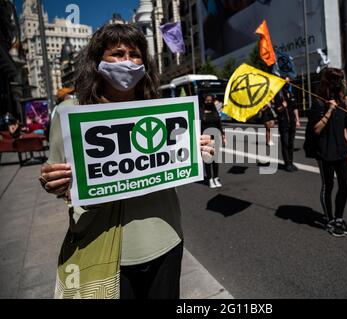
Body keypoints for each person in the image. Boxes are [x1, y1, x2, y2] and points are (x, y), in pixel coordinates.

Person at [38, 23, 214, 299]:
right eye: (117, 54)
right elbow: (56, 178)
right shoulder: (69, 113)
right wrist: (53, 182)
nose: (128, 62)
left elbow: (174, 164)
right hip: (106, 248)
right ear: (97, 62)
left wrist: (196, 150)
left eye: (135, 54)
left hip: (165, 239)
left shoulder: (162, 111)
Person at [307, 68, 347, 238]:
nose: (339, 84)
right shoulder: (318, 103)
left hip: (341, 151)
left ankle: (339, 218)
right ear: (328, 82)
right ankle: (330, 220)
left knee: (345, 185)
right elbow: (316, 129)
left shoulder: (342, 101)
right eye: (336, 80)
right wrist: (328, 110)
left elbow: (343, 129)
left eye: (340, 80)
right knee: (328, 186)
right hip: (325, 152)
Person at [275, 77, 301, 172]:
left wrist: (297, 120)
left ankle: (291, 162)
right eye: (286, 81)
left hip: (292, 122)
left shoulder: (291, 93)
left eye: (288, 81)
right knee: (285, 143)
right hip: (283, 122)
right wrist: (282, 106)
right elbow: (277, 110)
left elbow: (295, 108)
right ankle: (287, 164)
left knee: (291, 143)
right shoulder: (278, 94)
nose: (287, 83)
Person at [201, 95, 226, 189]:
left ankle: (216, 177)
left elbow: (219, 124)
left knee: (215, 160)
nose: (208, 102)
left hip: (216, 137)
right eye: (207, 100)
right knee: (208, 159)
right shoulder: (201, 112)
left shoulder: (215, 111)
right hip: (205, 138)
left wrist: (223, 136)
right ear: (204, 101)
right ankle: (210, 179)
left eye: (210, 100)